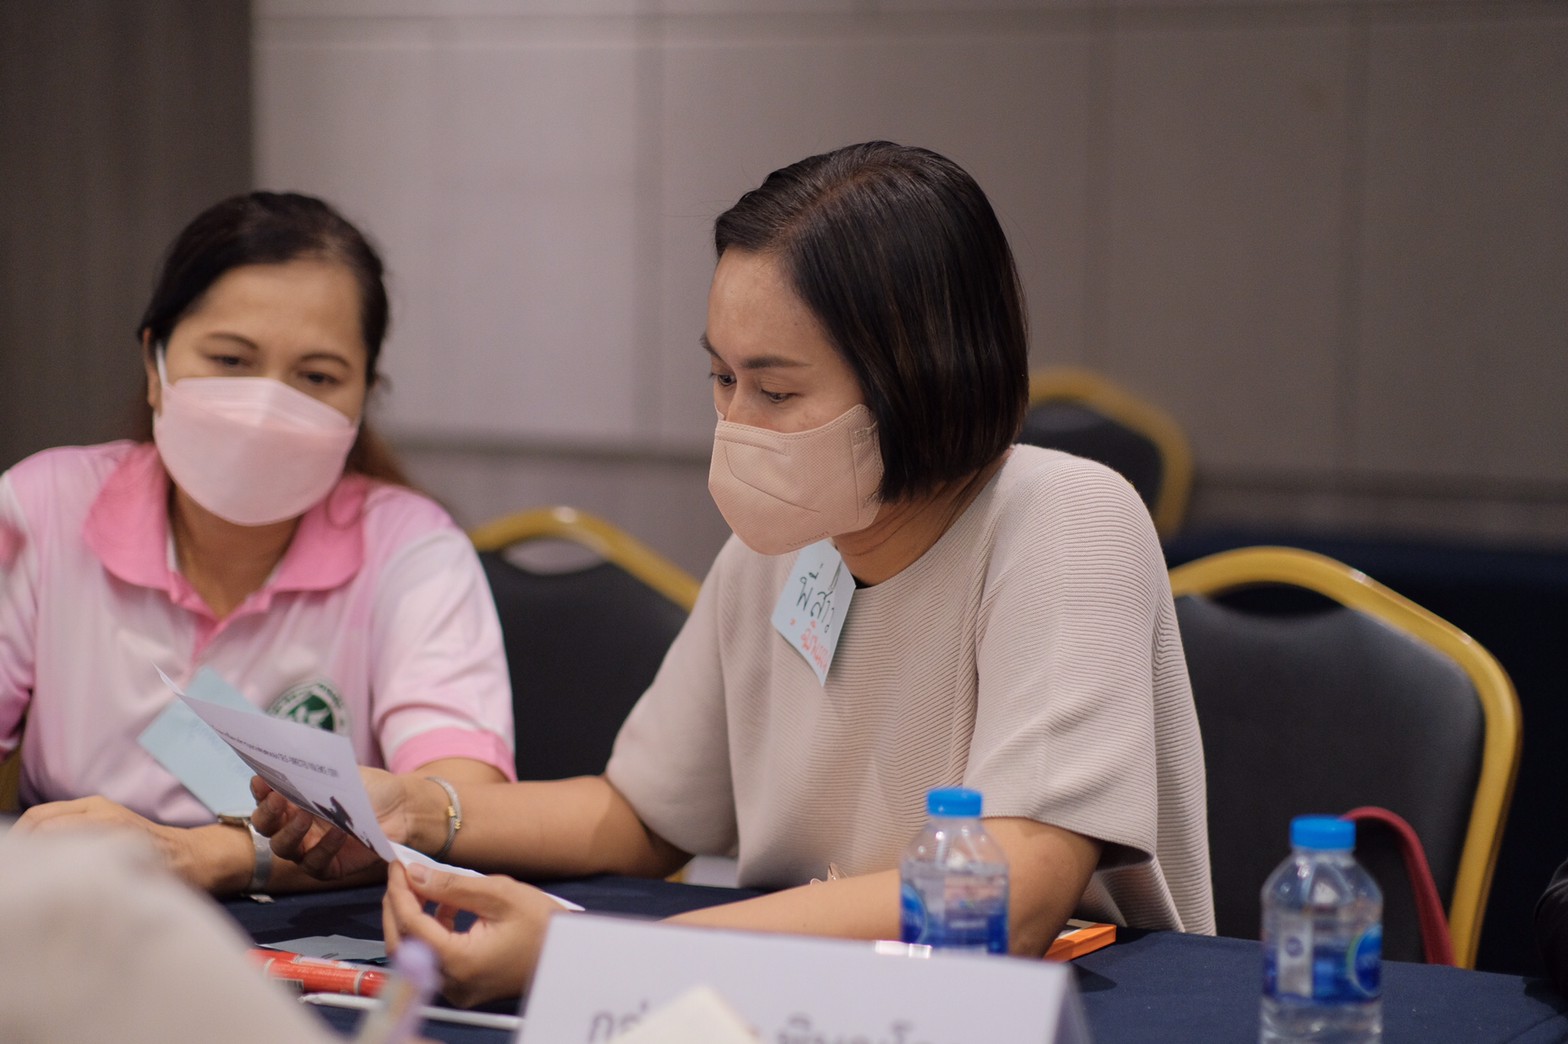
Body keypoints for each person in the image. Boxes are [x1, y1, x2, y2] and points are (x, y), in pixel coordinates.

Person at [256, 142, 1214, 1006]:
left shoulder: (1064, 519)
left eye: (777, 389)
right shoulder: (784, 548)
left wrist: (609, 959)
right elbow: (639, 816)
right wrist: (419, 808)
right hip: (809, 1004)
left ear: (922, 379)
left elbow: (1010, 891)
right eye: (722, 379)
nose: (736, 426)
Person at [0, 191, 515, 895]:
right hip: (73, 917)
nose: (267, 407)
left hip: (320, 937)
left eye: (317, 377)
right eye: (232, 360)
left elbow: (458, 807)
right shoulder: (41, 510)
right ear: (155, 364)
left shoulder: (414, 550)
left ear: (363, 398)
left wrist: (203, 855)